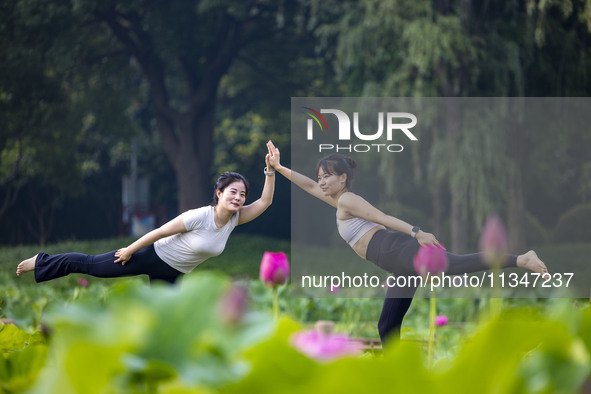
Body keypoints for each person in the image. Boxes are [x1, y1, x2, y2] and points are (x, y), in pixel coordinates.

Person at [266, 141, 549, 344]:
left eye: (327, 176)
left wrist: (417, 232)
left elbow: (382, 217)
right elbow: (308, 186)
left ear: (343, 178)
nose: (322, 182)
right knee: (387, 325)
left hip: (398, 251)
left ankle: (521, 259)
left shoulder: (348, 200)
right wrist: (278, 167)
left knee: (456, 265)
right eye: (320, 177)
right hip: (399, 266)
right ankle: (399, 380)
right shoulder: (338, 201)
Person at [16, 149, 277, 285]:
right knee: (91, 265)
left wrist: (270, 169)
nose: (239, 198)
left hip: (173, 273)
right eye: (233, 192)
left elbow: (265, 201)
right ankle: (41, 262)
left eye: (242, 195)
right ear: (219, 193)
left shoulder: (234, 219)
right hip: (151, 256)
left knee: (166, 319)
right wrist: (129, 250)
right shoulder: (200, 216)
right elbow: (160, 231)